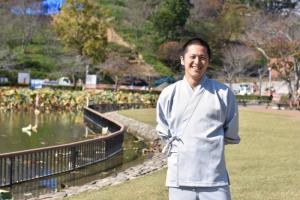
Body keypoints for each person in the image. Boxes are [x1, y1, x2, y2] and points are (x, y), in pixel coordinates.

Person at [156, 38, 240, 200]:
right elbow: (163, 131)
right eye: (192, 57)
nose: (197, 62)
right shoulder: (168, 93)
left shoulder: (223, 93)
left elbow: (230, 133)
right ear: (182, 60)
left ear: (208, 61)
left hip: (214, 176)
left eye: (202, 57)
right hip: (180, 176)